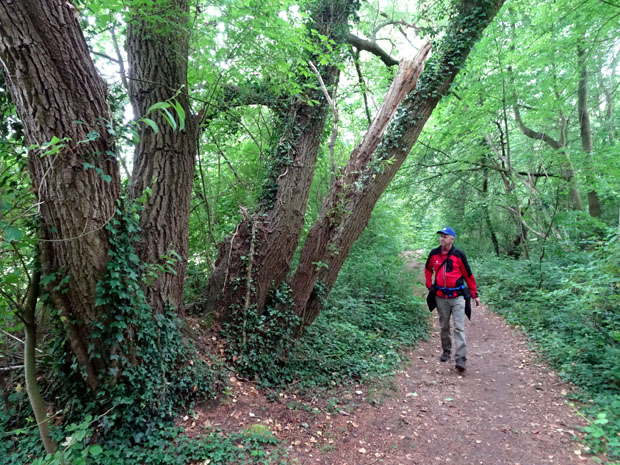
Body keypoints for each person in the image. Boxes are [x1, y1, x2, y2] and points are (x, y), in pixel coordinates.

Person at [424, 226, 480, 373]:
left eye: (445, 236)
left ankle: (461, 358)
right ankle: (446, 350)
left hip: (458, 297)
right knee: (443, 326)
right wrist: (429, 284)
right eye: (441, 236)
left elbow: (468, 275)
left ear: (452, 239)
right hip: (440, 297)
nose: (442, 238)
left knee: (459, 327)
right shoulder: (434, 254)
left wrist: (474, 293)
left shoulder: (458, 255)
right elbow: (428, 269)